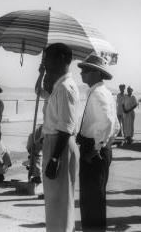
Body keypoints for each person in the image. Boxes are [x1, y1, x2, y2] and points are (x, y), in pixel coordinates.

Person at [77, 53, 119, 232]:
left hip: (94, 151)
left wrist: (96, 148)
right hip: (100, 149)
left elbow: (108, 122)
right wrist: (105, 144)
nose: (81, 73)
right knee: (95, 200)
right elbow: (115, 126)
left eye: (85, 70)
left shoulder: (98, 94)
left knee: (91, 200)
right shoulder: (104, 92)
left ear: (95, 73)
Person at [41, 43, 80, 232]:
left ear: (62, 59)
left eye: (47, 58)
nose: (44, 62)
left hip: (60, 145)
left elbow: (66, 127)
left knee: (61, 202)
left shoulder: (65, 87)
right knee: (54, 201)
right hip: (55, 143)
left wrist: (55, 158)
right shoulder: (59, 86)